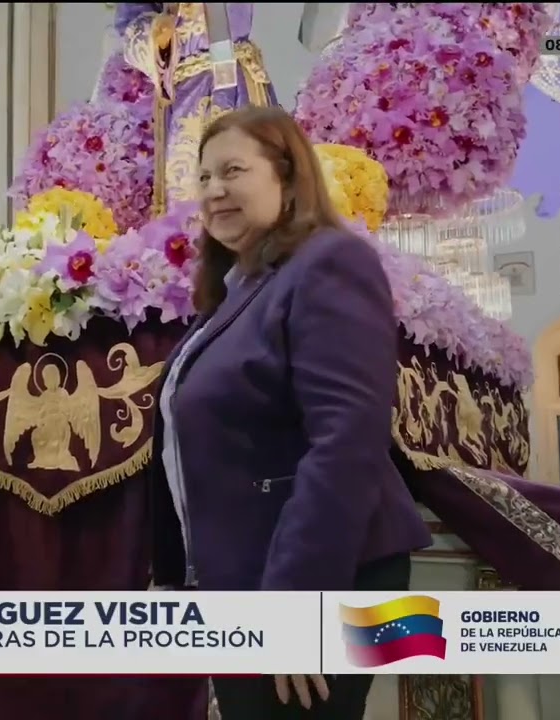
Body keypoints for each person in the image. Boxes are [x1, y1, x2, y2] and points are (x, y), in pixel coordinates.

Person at [148, 106, 432, 719]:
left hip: (319, 578)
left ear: (286, 175)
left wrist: (299, 604)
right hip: (247, 582)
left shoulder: (329, 263)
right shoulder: (241, 287)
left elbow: (347, 442)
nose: (213, 190)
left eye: (233, 170)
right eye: (202, 177)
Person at [115, 3, 280, 214]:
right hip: (186, 93)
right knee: (191, 192)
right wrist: (158, 34)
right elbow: (131, 18)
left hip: (238, 82)